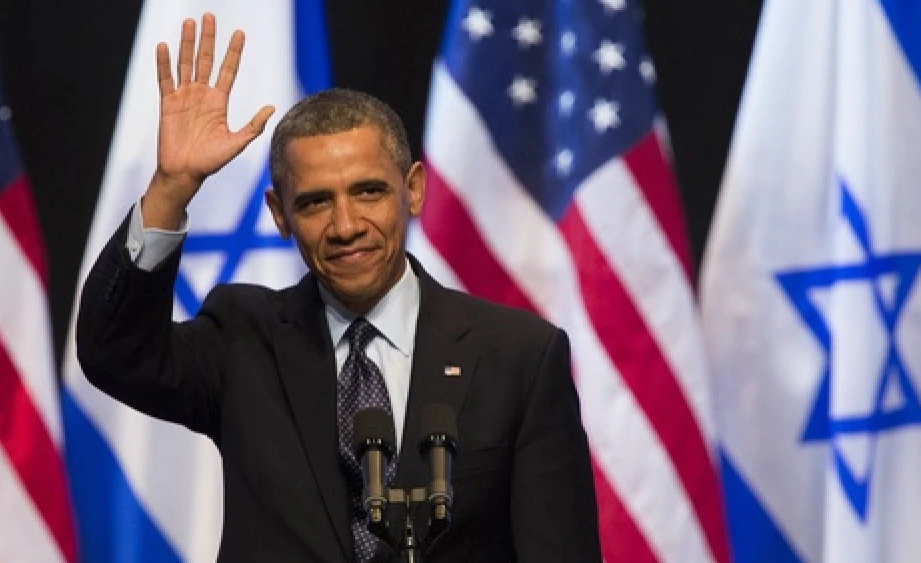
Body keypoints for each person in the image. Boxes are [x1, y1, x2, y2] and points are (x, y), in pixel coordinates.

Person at [77, 13, 601, 563]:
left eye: (369, 191)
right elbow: (113, 352)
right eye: (314, 201)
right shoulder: (243, 339)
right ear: (280, 215)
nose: (346, 225)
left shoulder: (518, 356)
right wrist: (171, 188)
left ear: (414, 190)